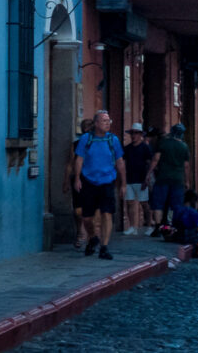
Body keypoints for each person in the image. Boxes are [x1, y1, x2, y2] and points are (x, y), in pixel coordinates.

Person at [73, 110, 126, 260]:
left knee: (106, 213)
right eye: (104, 121)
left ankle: (104, 246)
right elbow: (79, 160)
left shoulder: (113, 140)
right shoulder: (86, 139)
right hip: (89, 181)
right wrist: (77, 178)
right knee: (87, 218)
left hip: (107, 181)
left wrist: (123, 183)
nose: (107, 123)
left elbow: (120, 162)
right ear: (96, 123)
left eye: (108, 120)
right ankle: (93, 237)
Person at [147, 123, 191, 236]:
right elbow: (186, 166)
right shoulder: (184, 147)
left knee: (158, 203)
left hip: (162, 177)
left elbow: (155, 159)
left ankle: (158, 227)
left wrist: (148, 174)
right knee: (176, 205)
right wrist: (187, 181)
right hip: (178, 179)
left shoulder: (163, 143)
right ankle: (174, 227)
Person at [63, 118, 92, 248]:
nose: (86, 129)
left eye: (89, 127)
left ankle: (88, 235)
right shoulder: (76, 144)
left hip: (93, 180)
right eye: (84, 126)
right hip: (78, 179)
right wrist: (66, 180)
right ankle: (80, 231)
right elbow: (70, 163)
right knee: (78, 210)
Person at [122, 122, 152, 236]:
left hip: (141, 179)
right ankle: (132, 227)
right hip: (129, 178)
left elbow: (149, 163)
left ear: (140, 135)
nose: (133, 135)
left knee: (144, 204)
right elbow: (123, 163)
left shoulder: (145, 148)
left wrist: (147, 177)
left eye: (136, 133)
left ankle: (149, 226)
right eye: (132, 133)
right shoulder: (127, 148)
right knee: (129, 203)